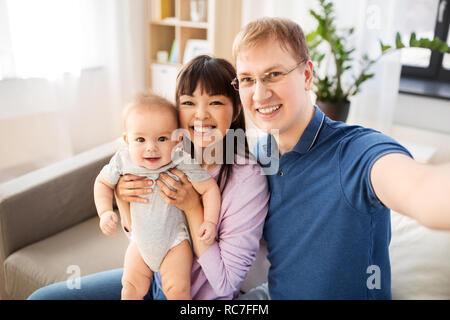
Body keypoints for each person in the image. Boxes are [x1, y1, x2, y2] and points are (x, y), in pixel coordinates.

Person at [232, 17, 450, 300]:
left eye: (274, 74)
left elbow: (422, 189)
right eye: (248, 79)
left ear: (307, 76)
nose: (259, 94)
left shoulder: (357, 151)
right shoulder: (258, 158)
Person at [28, 55, 269, 300]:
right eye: (188, 102)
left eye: (215, 102)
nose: (201, 115)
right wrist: (122, 202)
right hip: (152, 280)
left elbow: (225, 284)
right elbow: (146, 236)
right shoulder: (167, 153)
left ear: (237, 108)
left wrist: (193, 207)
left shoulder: (248, 181)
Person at [93, 92, 221, 300]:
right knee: (130, 288)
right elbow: (102, 183)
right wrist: (105, 212)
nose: (151, 147)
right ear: (127, 140)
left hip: (174, 243)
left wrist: (210, 221)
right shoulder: (123, 160)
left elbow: (209, 189)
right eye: (140, 139)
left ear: (177, 140)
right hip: (140, 242)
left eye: (162, 138)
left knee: (178, 290)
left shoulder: (181, 160)